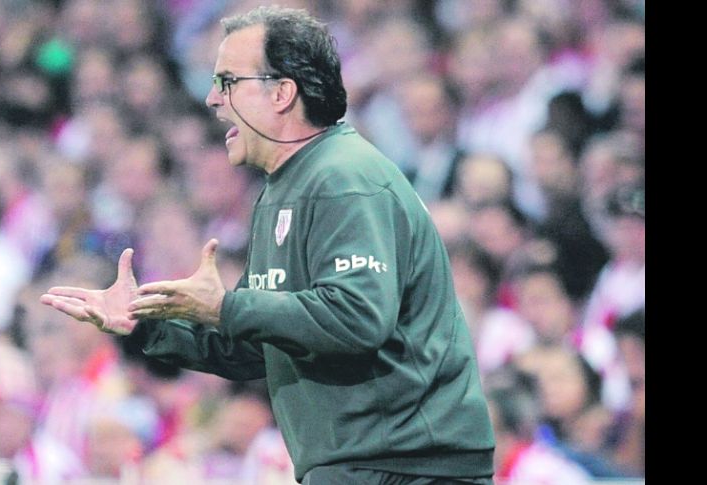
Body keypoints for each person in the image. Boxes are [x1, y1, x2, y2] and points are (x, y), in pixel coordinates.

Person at [41, 6, 495, 484]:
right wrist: (144, 325)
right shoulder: (282, 190)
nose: (213, 99)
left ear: (282, 93)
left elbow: (358, 317)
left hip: (406, 467)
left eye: (228, 82)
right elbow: (260, 347)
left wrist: (227, 307)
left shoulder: (344, 177)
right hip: (363, 463)